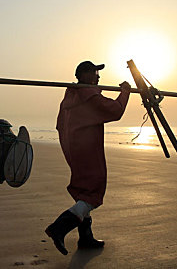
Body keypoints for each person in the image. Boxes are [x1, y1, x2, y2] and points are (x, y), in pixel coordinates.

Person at [45, 60, 131, 255]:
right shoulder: (87, 95)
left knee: (83, 188)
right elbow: (115, 110)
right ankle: (59, 227)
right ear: (84, 75)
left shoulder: (70, 95)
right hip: (86, 147)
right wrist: (125, 92)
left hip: (72, 146)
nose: (98, 77)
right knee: (93, 190)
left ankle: (85, 238)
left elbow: (60, 124)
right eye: (94, 72)